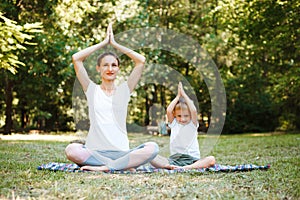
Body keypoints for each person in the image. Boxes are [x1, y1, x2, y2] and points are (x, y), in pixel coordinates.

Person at [65, 22, 159, 172]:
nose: (110, 69)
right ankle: (120, 167)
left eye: (114, 65)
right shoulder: (91, 90)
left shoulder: (124, 91)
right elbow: (76, 58)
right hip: (95, 152)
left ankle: (107, 167)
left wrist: (115, 44)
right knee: (72, 149)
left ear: (118, 68)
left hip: (122, 153)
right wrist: (103, 43)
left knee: (152, 148)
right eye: (105, 65)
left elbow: (140, 61)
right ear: (98, 68)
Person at [151, 82, 215, 170]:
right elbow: (169, 110)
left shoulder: (192, 124)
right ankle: (169, 166)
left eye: (186, 116)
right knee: (150, 156)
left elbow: (193, 110)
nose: (183, 119)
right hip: (175, 159)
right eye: (179, 116)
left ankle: (188, 167)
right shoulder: (174, 124)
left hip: (193, 159)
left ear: (190, 116)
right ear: (175, 115)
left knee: (211, 159)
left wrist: (184, 95)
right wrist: (178, 96)